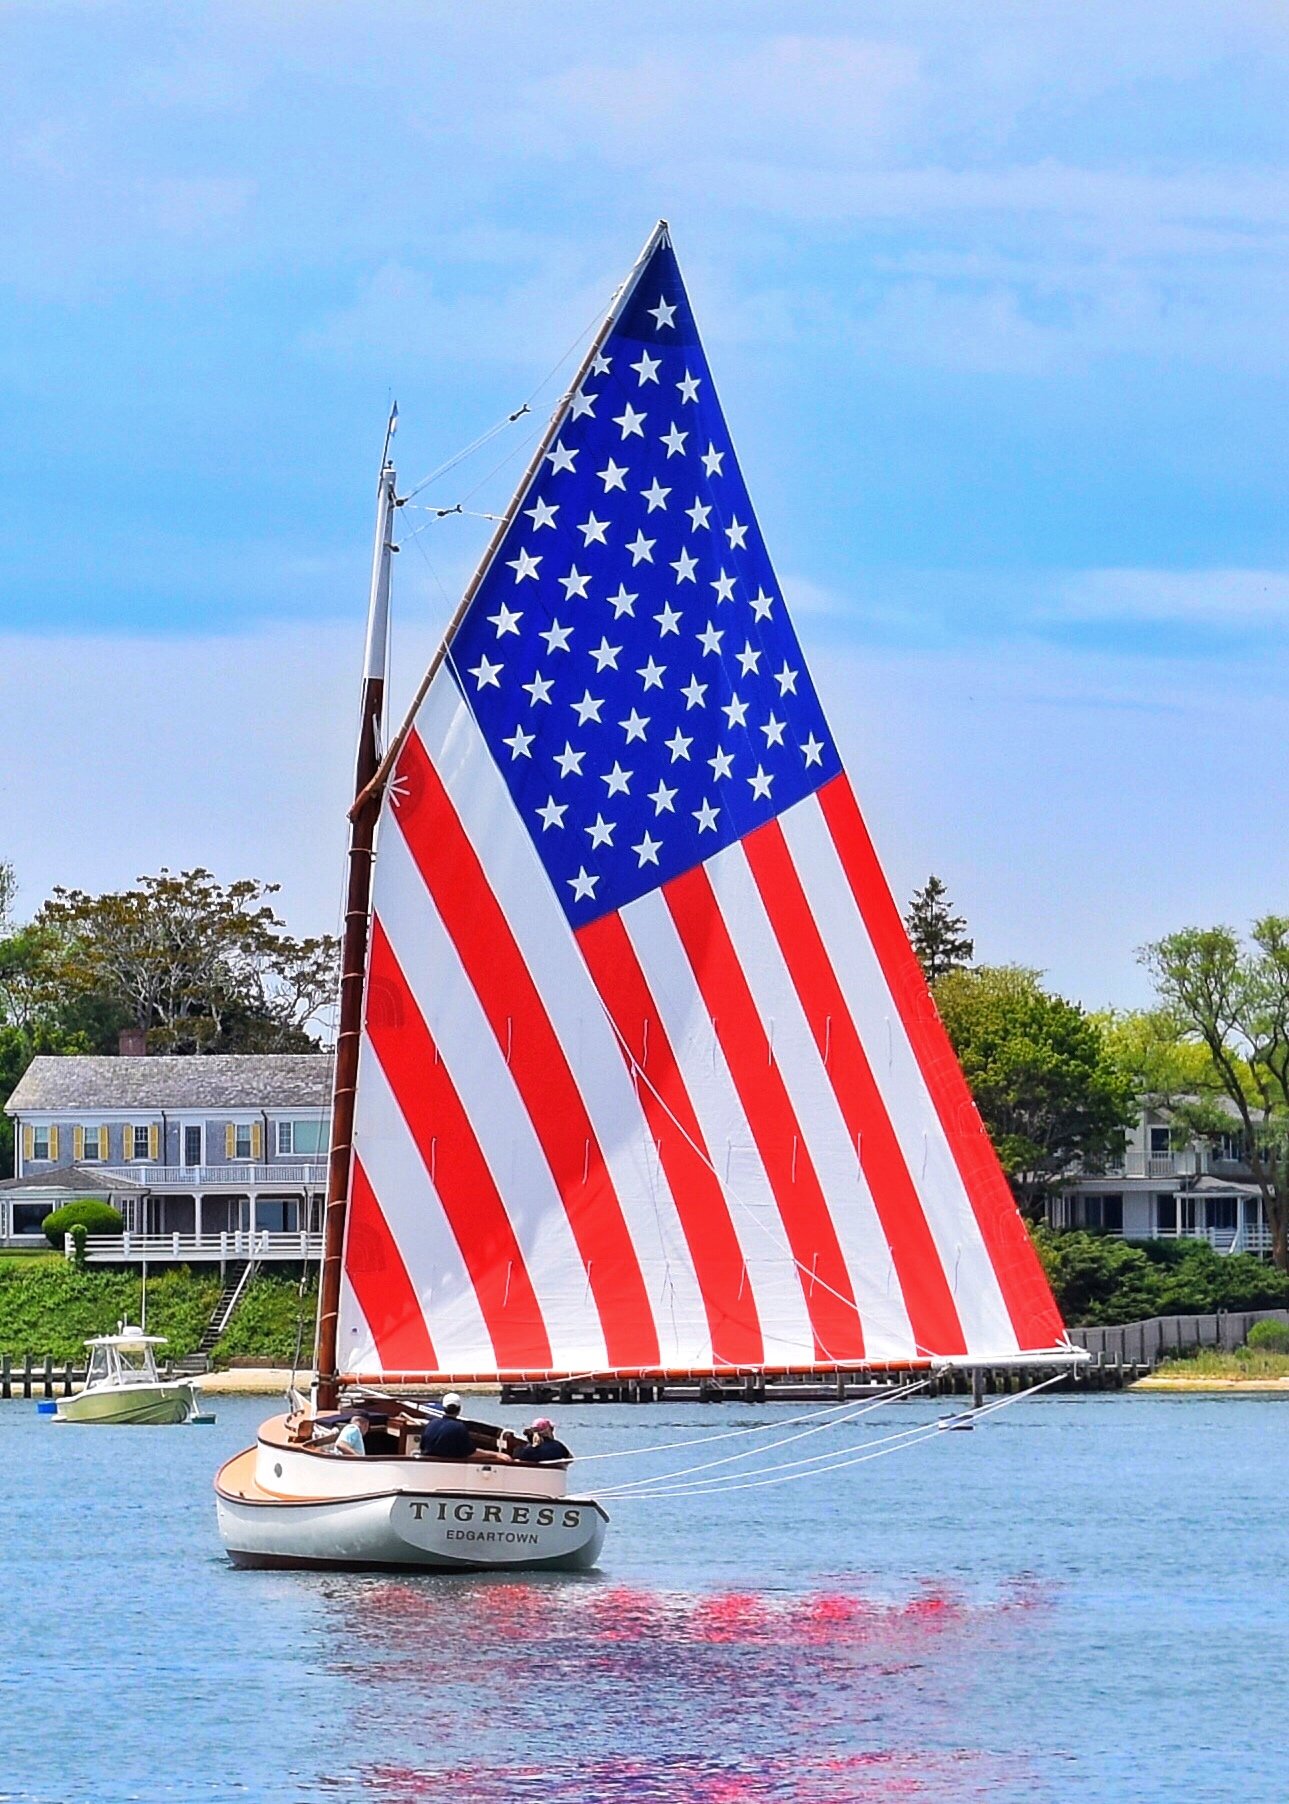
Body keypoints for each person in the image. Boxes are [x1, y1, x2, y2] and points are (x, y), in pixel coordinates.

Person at [418, 1392, 476, 1461]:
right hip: (450, 1466)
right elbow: (469, 1452)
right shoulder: (459, 1427)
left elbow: (422, 1447)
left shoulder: (431, 1424)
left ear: (443, 1408)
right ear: (459, 1409)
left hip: (427, 1464)